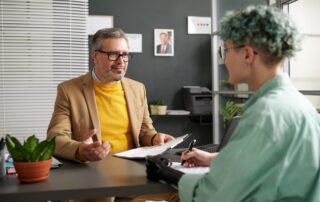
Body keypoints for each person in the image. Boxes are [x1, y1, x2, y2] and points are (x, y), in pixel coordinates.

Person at [177, 5, 320, 202]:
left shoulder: (265, 114)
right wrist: (213, 159)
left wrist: (176, 178)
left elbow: (215, 195)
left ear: (247, 55)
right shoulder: (300, 104)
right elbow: (275, 162)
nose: (225, 60)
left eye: (225, 50)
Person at [47, 27, 176, 202]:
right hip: (93, 177)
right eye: (113, 55)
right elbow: (55, 139)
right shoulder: (69, 90)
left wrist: (155, 139)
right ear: (95, 56)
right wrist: (81, 150)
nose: (121, 61)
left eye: (125, 55)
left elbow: (145, 131)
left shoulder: (137, 89)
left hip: (134, 176)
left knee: (185, 189)